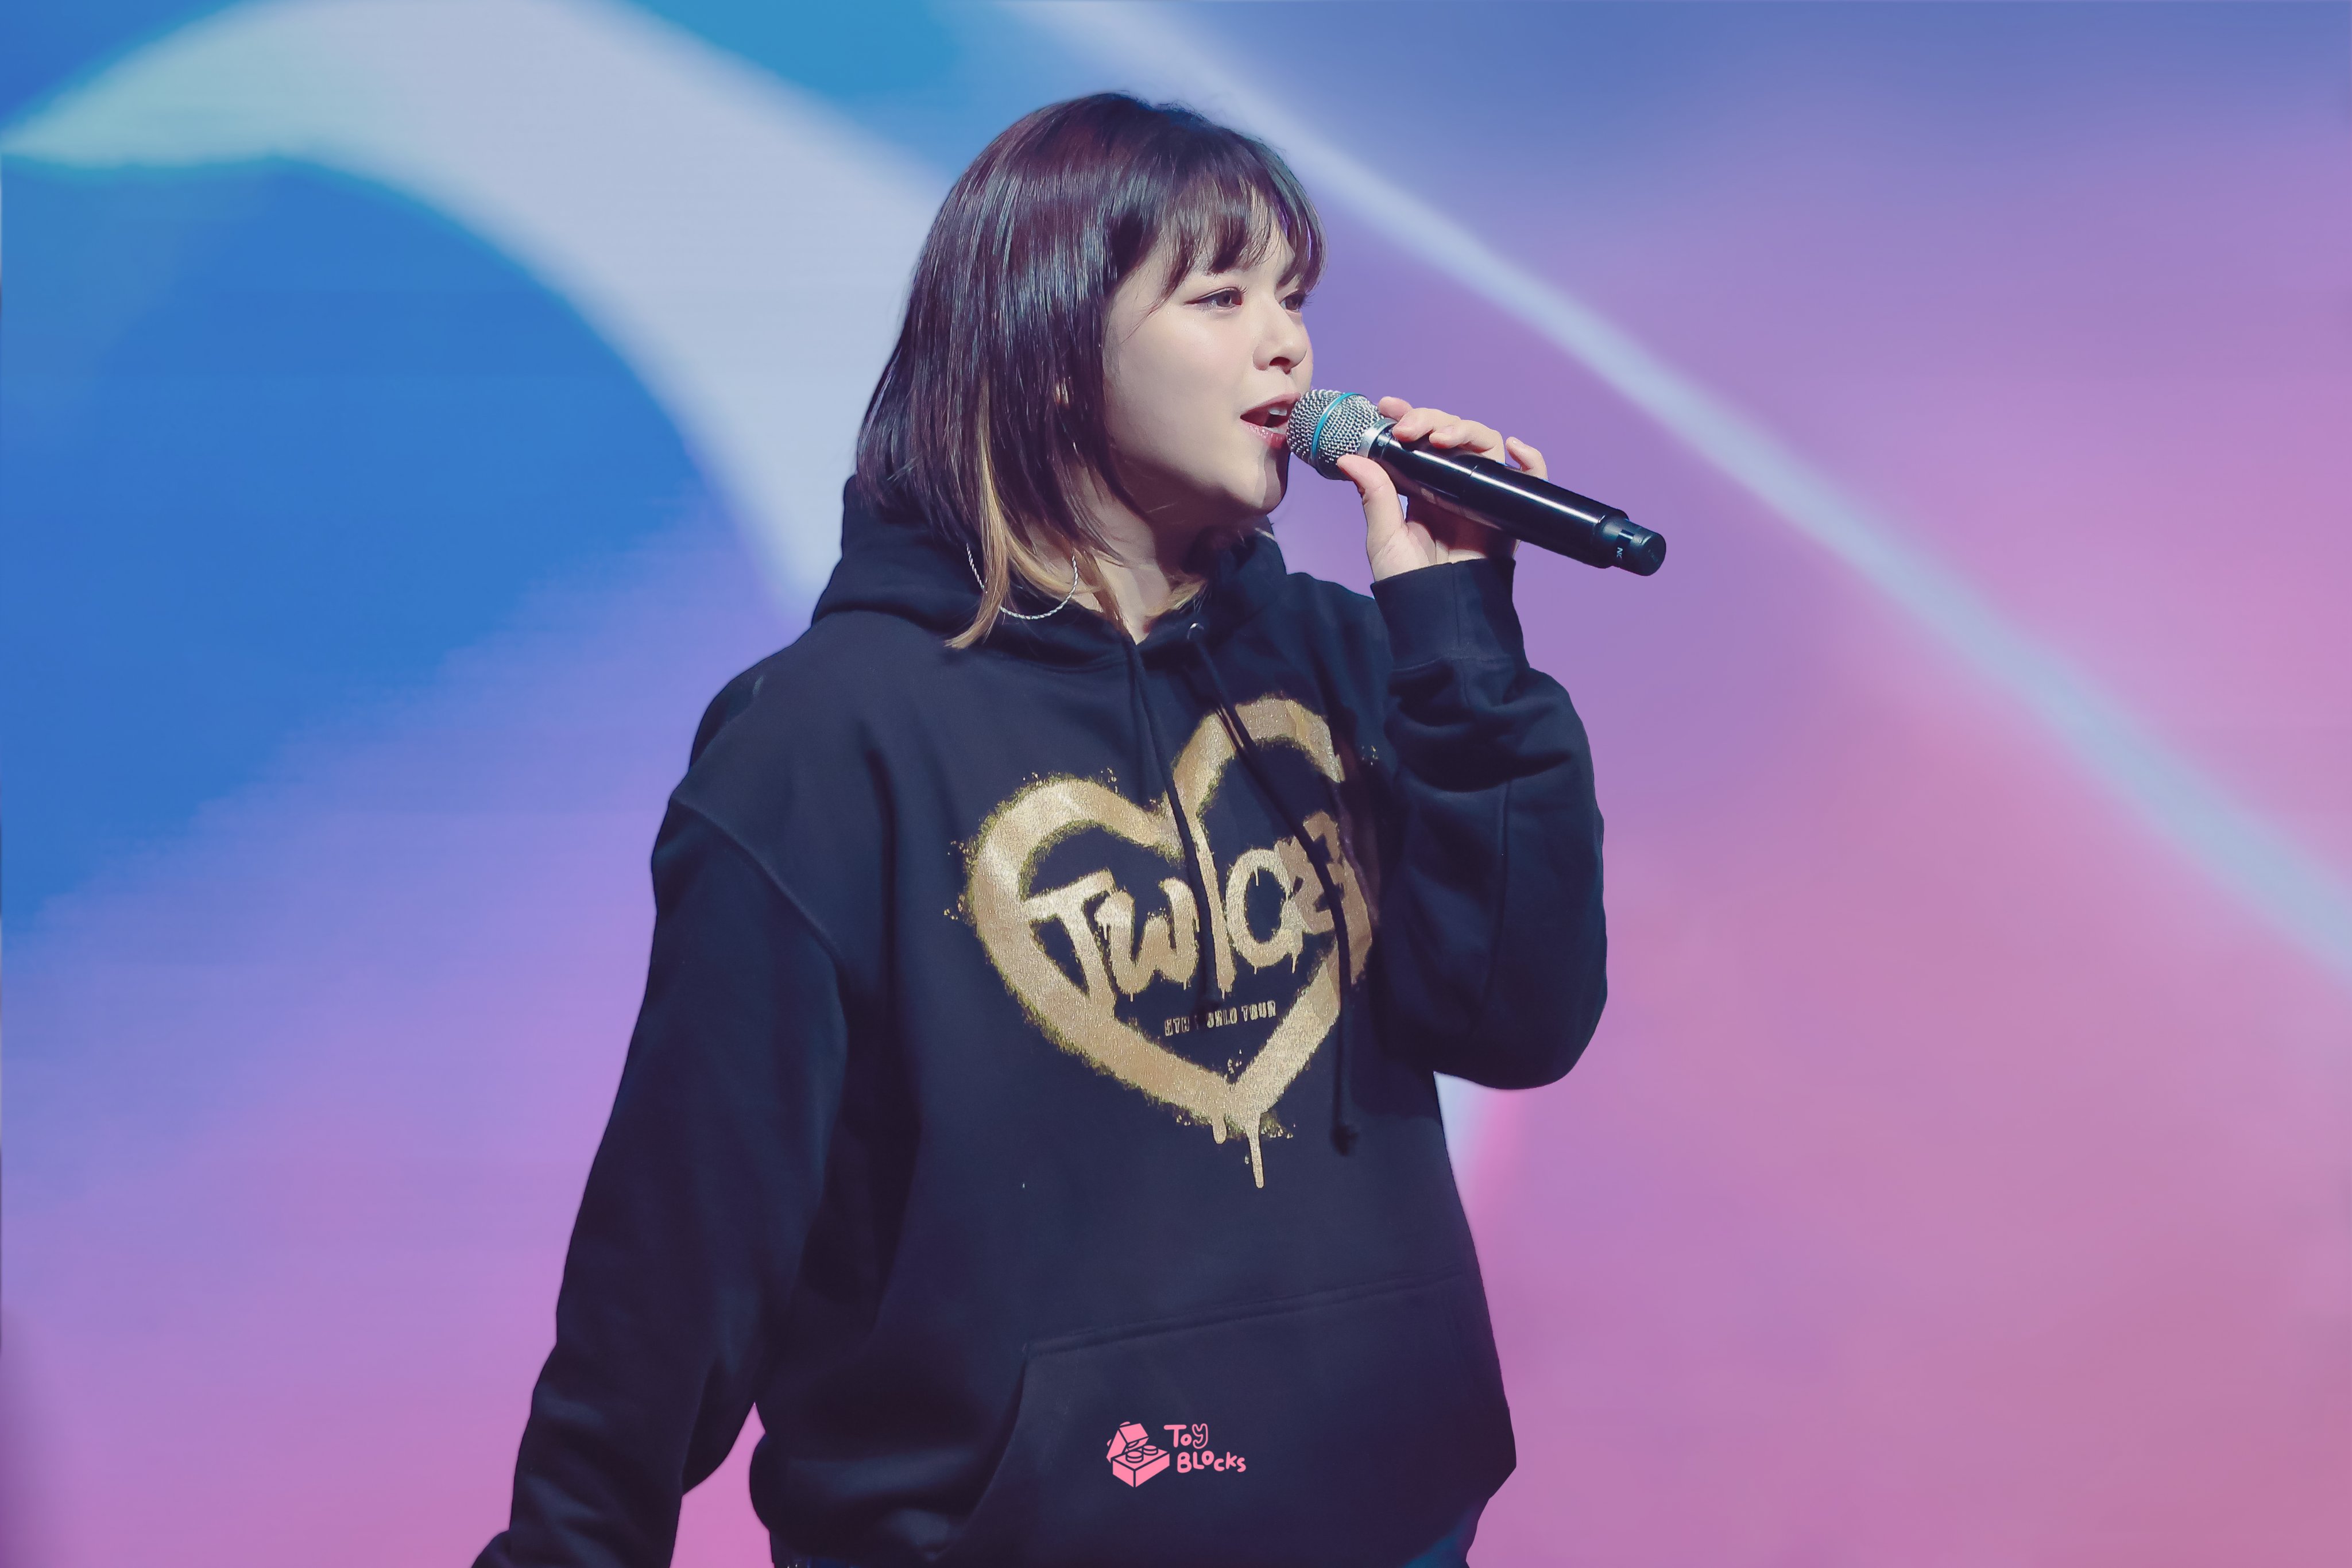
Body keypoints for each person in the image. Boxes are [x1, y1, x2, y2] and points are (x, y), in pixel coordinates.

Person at [474, 92, 1607, 1568]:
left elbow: (1515, 1020)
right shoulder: (830, 735)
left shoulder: (1352, 663)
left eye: (1292, 296)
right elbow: (690, 1224)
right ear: (1056, 352)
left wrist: (1458, 635)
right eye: (1220, 297)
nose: (1285, 344)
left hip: (1384, 1526)